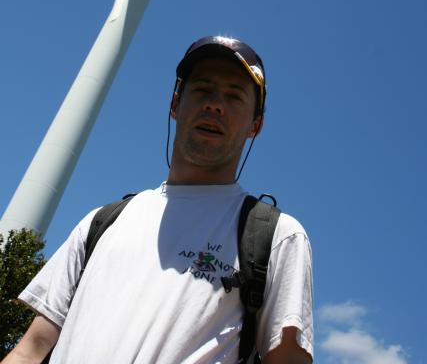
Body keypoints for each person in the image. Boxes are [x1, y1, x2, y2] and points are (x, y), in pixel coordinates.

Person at [3, 35, 313, 364]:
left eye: (234, 96)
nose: (215, 104)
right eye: (202, 89)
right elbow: (31, 349)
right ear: (175, 103)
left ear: (256, 125)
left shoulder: (277, 236)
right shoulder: (101, 223)